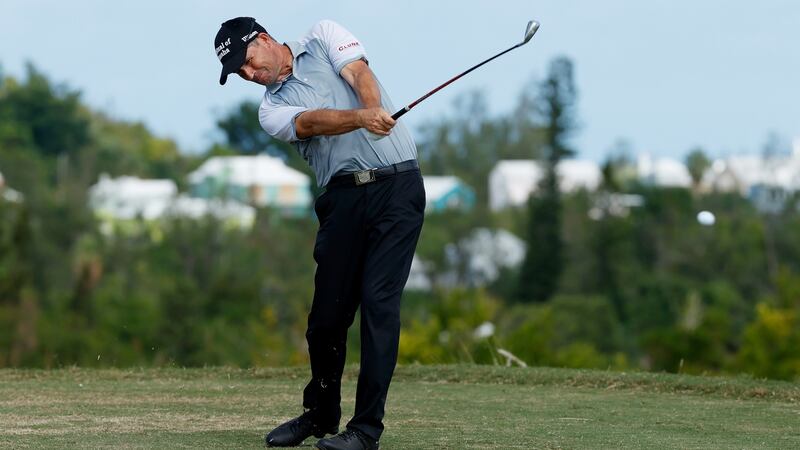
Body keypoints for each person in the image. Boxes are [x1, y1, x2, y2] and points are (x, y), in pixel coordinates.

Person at [214, 17, 425, 450]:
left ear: (265, 40)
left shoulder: (323, 35)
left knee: (379, 306)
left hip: (398, 188)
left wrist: (372, 107)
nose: (250, 75)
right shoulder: (269, 110)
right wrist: (362, 117)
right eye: (241, 73)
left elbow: (359, 73)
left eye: (248, 62)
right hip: (343, 200)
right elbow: (312, 123)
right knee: (326, 320)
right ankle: (322, 414)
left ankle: (366, 431)